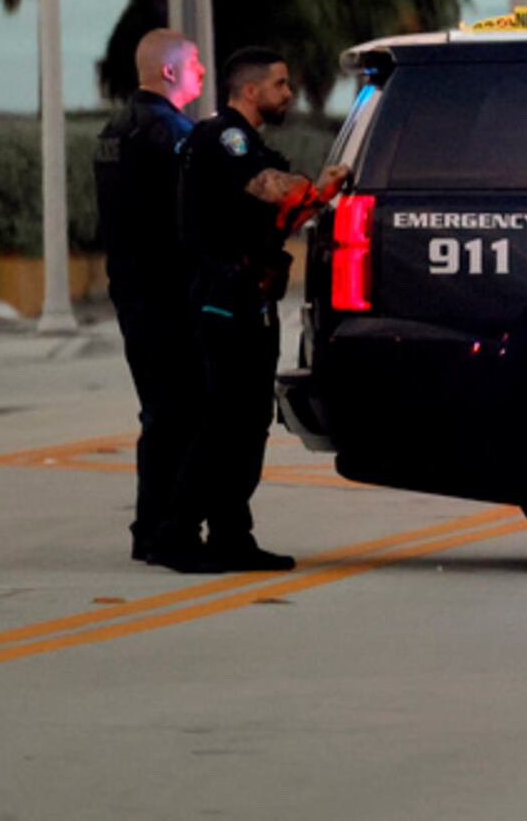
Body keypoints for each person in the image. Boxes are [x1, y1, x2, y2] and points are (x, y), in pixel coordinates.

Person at [157, 48, 342, 573]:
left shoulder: (247, 141)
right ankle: (178, 533)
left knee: (247, 421)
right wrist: (323, 184)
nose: (288, 93)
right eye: (281, 84)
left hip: (249, 297)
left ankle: (231, 535)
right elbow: (273, 190)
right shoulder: (226, 138)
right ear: (250, 90)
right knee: (226, 421)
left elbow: (285, 211)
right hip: (224, 298)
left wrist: (320, 193)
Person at [93, 29, 204, 564]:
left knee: (161, 411)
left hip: (134, 290)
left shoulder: (115, 130)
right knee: (179, 413)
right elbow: (191, 212)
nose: (201, 72)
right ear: (169, 71)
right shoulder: (169, 133)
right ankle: (165, 531)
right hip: (168, 293)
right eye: (195, 63)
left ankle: (151, 527)